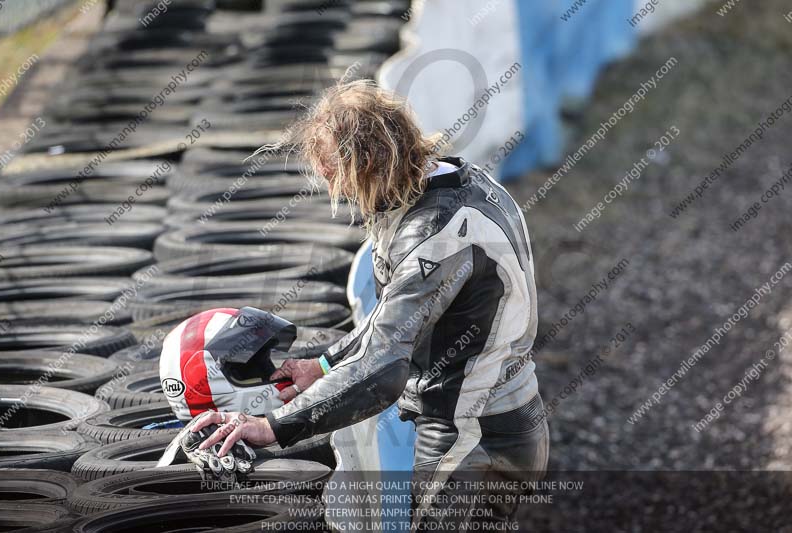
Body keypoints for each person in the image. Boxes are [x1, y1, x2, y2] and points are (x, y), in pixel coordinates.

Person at [192, 79, 548, 530]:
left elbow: (382, 369)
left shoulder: (433, 235)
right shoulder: (463, 180)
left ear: (367, 163)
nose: (330, 188)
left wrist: (274, 427)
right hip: (499, 420)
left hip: (470, 436)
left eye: (332, 174)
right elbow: (396, 324)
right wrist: (321, 366)